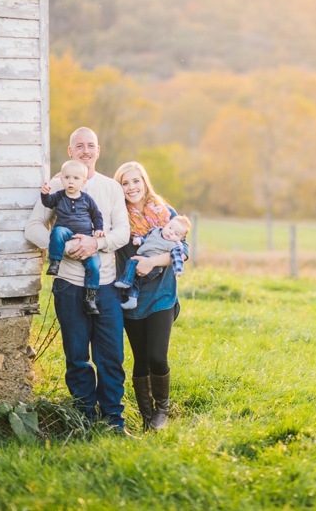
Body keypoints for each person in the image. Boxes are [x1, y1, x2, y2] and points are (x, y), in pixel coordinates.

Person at [25, 127, 131, 432]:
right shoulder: (58, 186)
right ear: (70, 152)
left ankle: (114, 420)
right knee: (77, 355)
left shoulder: (111, 189)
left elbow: (121, 232)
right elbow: (32, 228)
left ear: (98, 151)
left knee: (111, 355)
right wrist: (67, 248)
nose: (85, 151)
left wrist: (96, 244)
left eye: (91, 146)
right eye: (79, 146)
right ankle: (85, 418)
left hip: (105, 285)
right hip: (69, 285)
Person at [113, 161, 189, 431]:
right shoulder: (117, 216)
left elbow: (185, 250)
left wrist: (153, 261)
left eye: (136, 181)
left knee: (158, 356)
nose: (132, 187)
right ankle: (147, 418)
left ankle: (161, 411)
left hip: (162, 295)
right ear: (119, 187)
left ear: (145, 182)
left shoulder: (164, 212)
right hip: (131, 296)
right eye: (125, 182)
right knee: (141, 358)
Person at [40, 159, 105, 315]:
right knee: (57, 232)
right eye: (67, 177)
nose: (71, 182)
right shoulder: (60, 196)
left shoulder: (87, 199)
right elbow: (48, 203)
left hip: (85, 236)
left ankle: (90, 298)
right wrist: (44, 193)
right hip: (67, 233)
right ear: (61, 179)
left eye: (76, 178)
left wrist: (99, 230)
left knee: (94, 265)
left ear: (83, 182)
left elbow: (97, 215)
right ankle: (55, 262)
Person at [114, 215, 190, 310]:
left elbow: (177, 257)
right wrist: (139, 240)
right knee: (135, 279)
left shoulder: (174, 245)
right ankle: (132, 299)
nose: (171, 232)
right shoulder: (156, 231)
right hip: (143, 256)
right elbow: (147, 238)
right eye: (170, 228)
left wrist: (178, 270)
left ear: (181, 239)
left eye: (176, 234)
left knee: (132, 262)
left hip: (155, 267)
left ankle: (125, 281)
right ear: (166, 224)